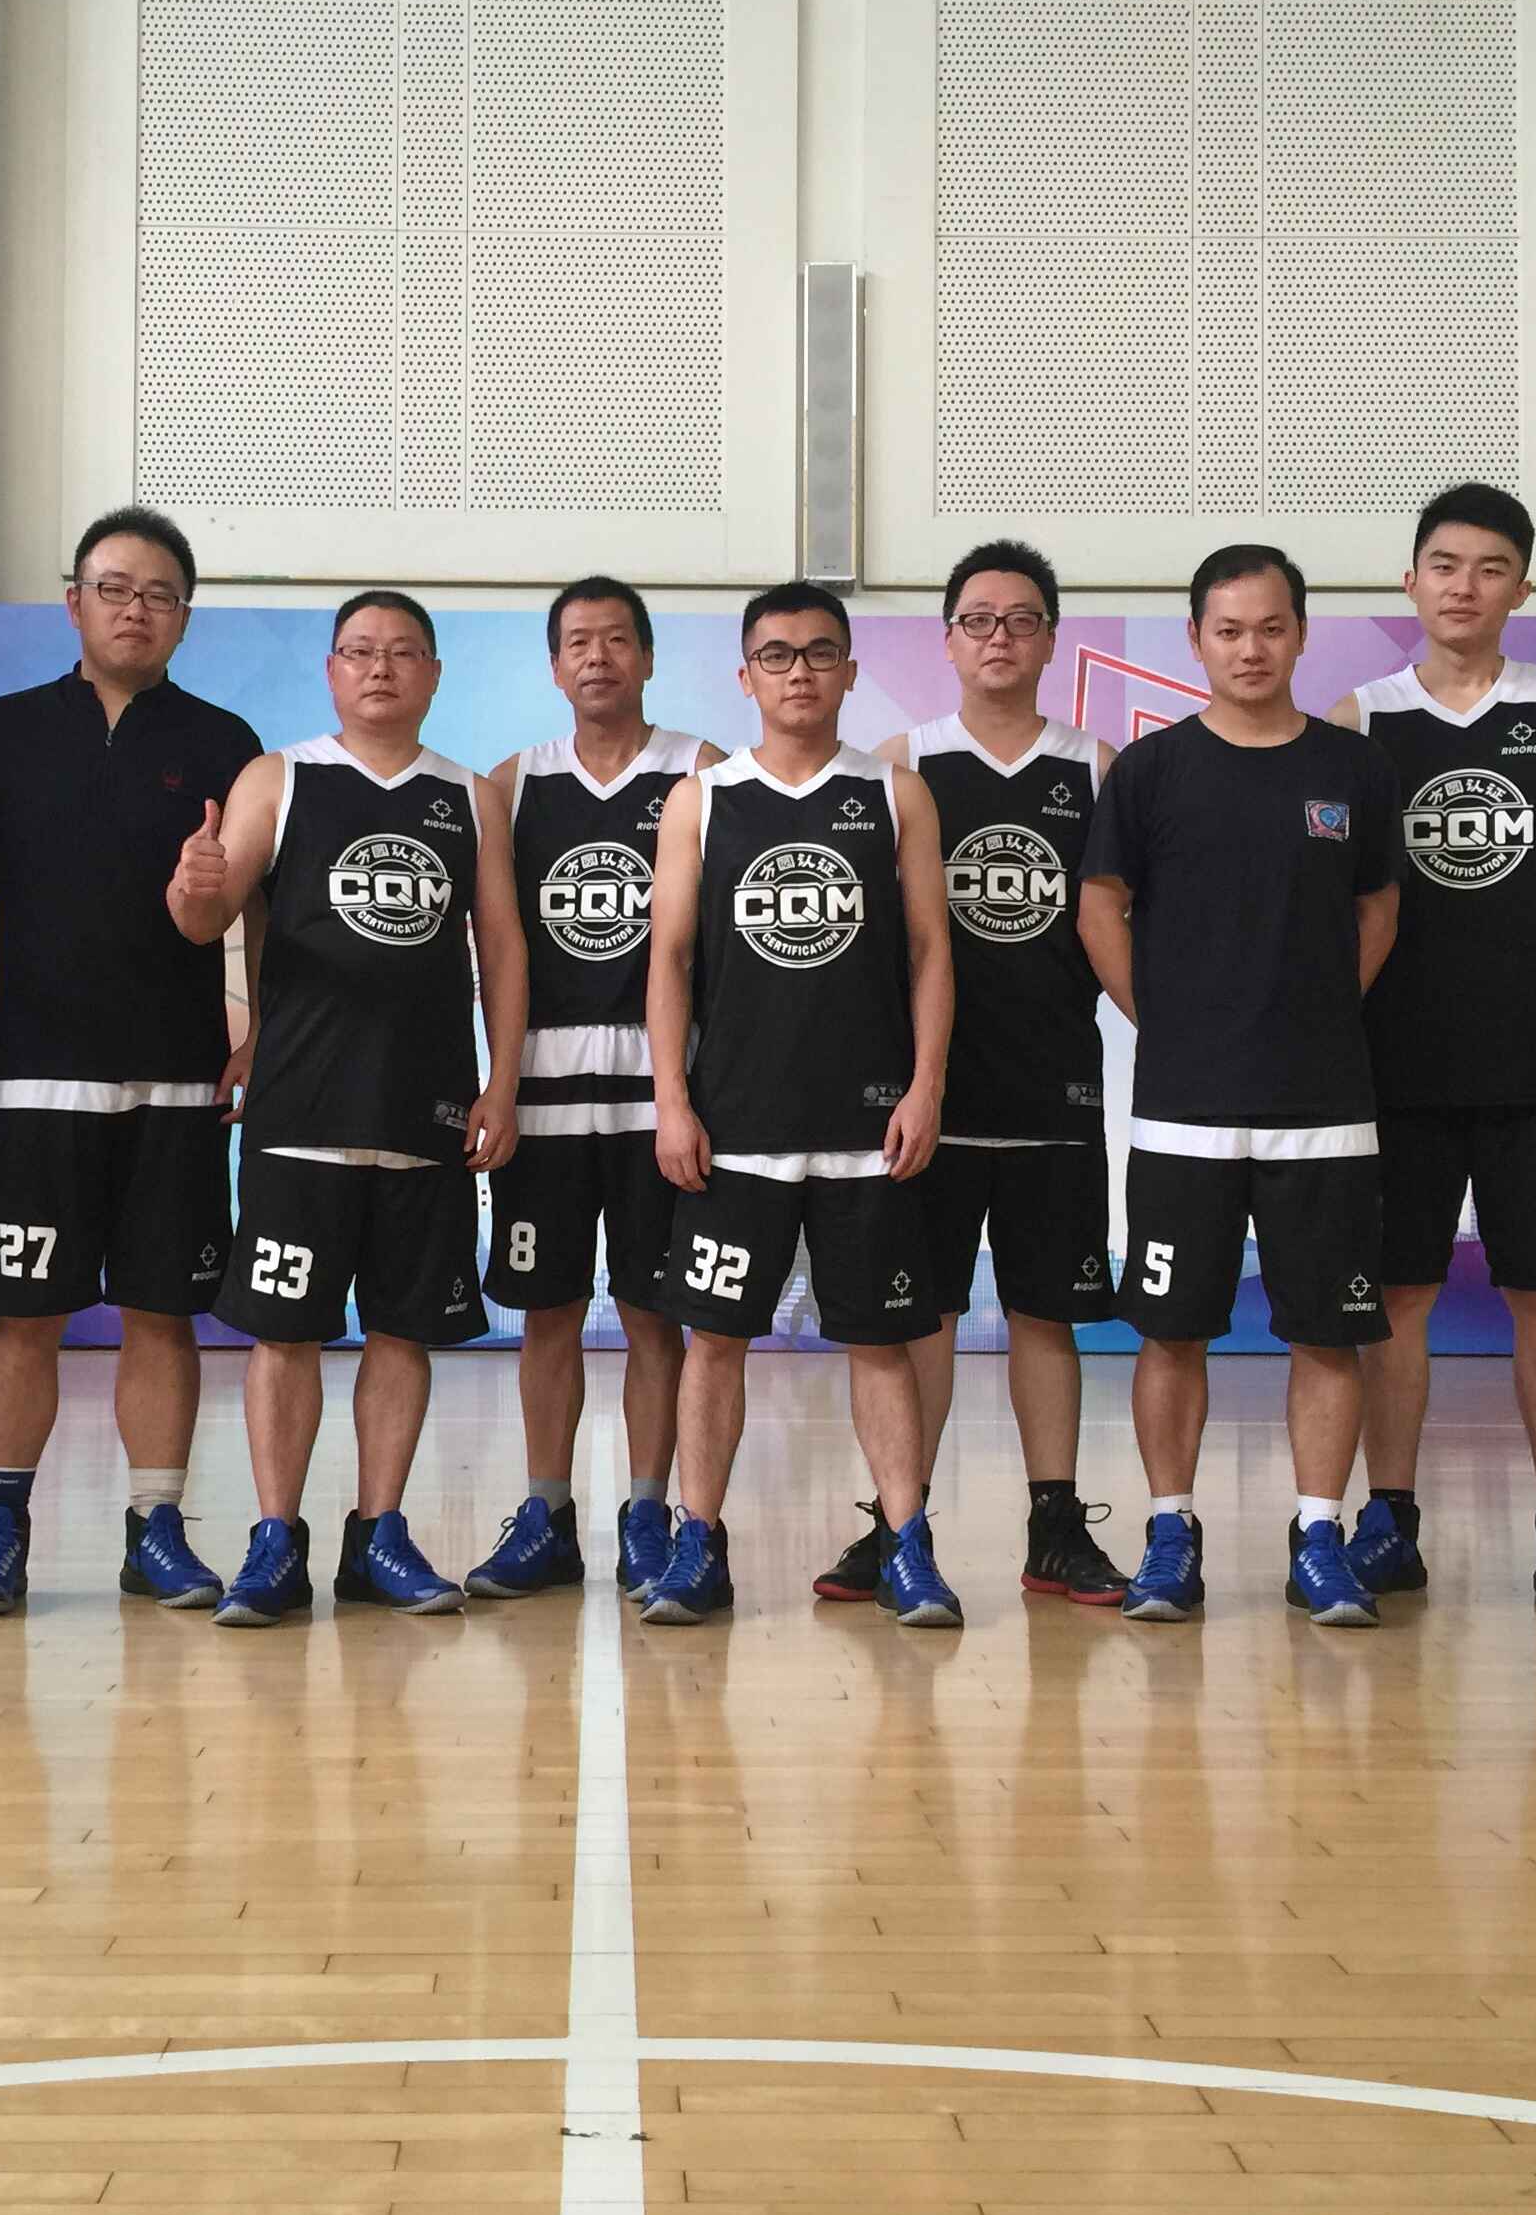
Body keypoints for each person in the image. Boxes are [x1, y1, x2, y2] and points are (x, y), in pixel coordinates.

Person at [166, 591, 525, 1626]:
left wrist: (500, 1082)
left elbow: (502, 947)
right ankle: (276, 1540)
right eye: (360, 651)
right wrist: (193, 883)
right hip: (300, 1108)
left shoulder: (468, 796)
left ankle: (379, 1536)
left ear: (433, 674)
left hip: (426, 1111)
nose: (381, 669)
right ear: (330, 670)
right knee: (284, 1337)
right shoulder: (280, 778)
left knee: (403, 1334)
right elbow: (204, 919)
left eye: (403, 652)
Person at [0, 507, 262, 1617]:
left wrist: (253, 1025)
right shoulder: (6, 733)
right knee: (23, 1314)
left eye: (160, 594)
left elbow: (250, 908)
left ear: (185, 617)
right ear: (73, 601)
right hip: (42, 1075)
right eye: (115, 588)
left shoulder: (225, 741)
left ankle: (156, 1529)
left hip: (179, 1077)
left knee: (162, 1312)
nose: (136, 609)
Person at [1078, 544, 1402, 1627]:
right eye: (1229, 630)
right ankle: (1171, 1534)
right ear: (1197, 641)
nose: (1250, 648)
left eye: (1270, 628)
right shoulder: (1150, 771)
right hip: (1186, 1109)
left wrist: (1320, 1010)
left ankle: (1319, 1537)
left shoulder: (1354, 770)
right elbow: (1099, 905)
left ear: (1300, 634)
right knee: (1173, 1331)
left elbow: (1378, 909)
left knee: (1327, 1332)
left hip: (1326, 1109)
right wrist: (1163, 1020)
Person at [1334, 483, 1536, 1614]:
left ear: (1522, 587)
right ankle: (1389, 1522)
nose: (1465, 587)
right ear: (1410, 581)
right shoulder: (1361, 719)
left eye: (1491, 567)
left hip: (1533, 1060)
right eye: (1446, 565)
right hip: (1397, 1062)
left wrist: (1506, 973)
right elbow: (1349, 896)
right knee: (1399, 1296)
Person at [642, 582, 960, 1628]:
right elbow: (669, 959)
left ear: (850, 671)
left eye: (820, 652)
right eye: (776, 655)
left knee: (881, 1344)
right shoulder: (703, 799)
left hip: (869, 1129)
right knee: (713, 1343)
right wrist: (673, 1100)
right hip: (737, 1129)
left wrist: (925, 1085)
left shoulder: (896, 794)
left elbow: (930, 952)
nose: (799, 672)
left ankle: (907, 1545)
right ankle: (699, 1544)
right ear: (746, 677)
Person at [822, 539, 1128, 1608]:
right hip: (929, 1102)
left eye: (1021, 619)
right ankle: (898, 1528)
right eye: (979, 620)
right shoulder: (901, 765)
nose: (1000, 637)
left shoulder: (1097, 768)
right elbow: (875, 945)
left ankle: (1056, 1527)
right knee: (923, 1319)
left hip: (1055, 1091)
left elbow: (1124, 925)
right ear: (948, 640)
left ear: (1050, 640)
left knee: (1048, 1315)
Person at [466, 578, 720, 1605]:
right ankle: (546, 1514)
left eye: (617, 639)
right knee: (548, 1314)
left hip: (663, 1099)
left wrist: (694, 1090)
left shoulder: (700, 771)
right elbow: (494, 949)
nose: (599, 657)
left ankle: (649, 1512)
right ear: (554, 665)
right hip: (545, 1099)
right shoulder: (513, 784)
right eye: (578, 642)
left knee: (657, 1317)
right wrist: (496, 1083)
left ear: (649, 658)